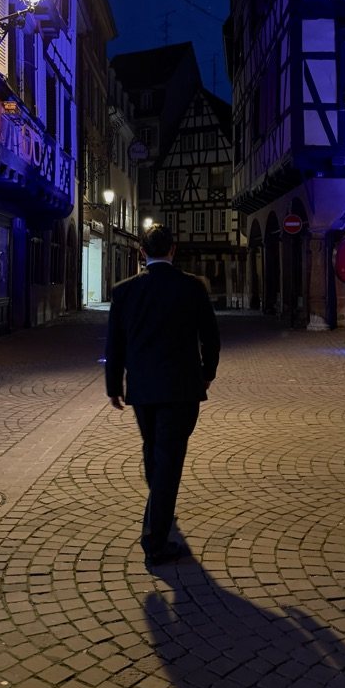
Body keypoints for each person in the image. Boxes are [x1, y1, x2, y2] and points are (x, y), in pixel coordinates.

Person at [105, 223, 220, 566]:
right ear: (173, 250)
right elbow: (211, 337)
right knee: (168, 460)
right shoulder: (192, 288)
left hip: (142, 389)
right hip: (182, 388)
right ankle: (155, 540)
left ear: (142, 252)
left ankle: (160, 507)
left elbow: (115, 345)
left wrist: (114, 386)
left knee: (155, 451)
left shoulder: (124, 292)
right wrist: (206, 374)